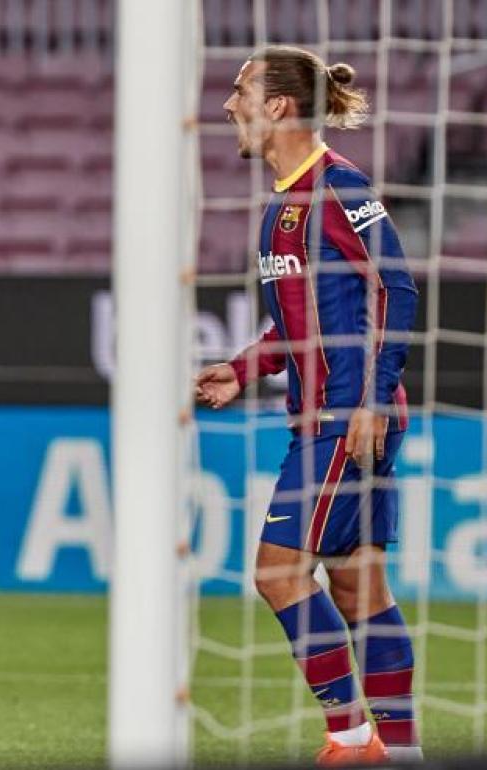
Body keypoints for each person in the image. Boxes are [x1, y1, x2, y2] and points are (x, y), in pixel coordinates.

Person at [195, 46, 421, 764]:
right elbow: (300, 325)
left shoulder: (339, 187)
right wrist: (242, 368)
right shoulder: (284, 203)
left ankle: (352, 739)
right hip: (324, 415)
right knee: (357, 588)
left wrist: (372, 401)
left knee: (276, 572)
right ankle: (403, 751)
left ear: (279, 106)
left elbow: (398, 289)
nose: (229, 103)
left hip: (346, 418)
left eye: (241, 91)